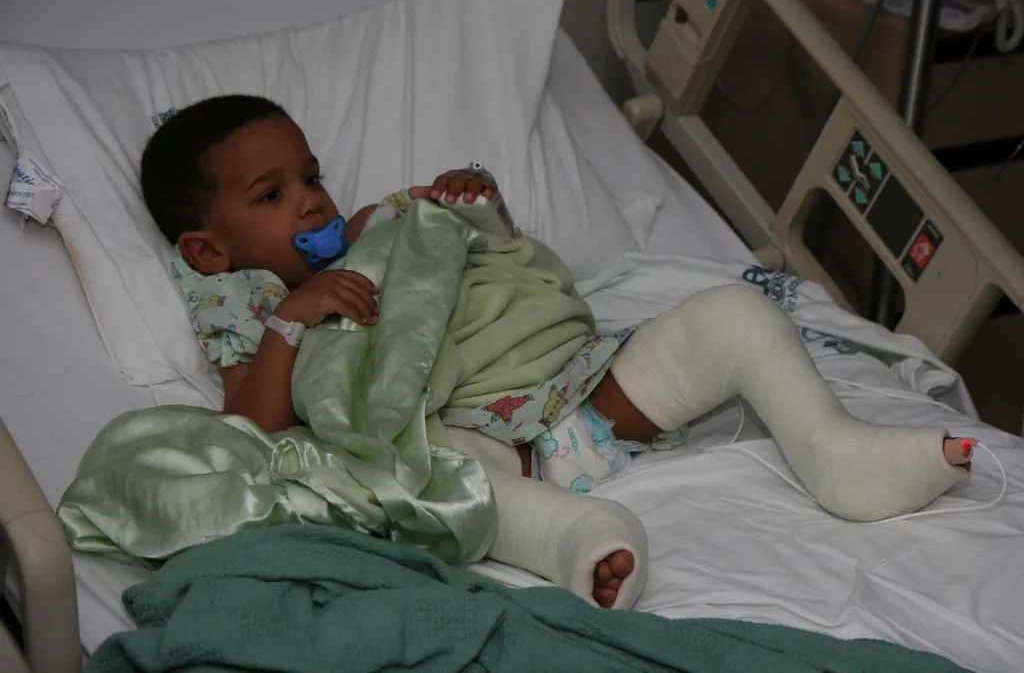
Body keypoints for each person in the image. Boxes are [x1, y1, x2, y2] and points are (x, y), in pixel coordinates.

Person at [141, 94, 974, 610]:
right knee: (427, 474)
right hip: (479, 438)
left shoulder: (375, 225)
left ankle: (835, 452)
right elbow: (252, 425)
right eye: (272, 195)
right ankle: (575, 536)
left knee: (731, 313)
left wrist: (472, 207)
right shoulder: (245, 301)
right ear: (209, 249)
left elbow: (502, 263)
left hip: (583, 393)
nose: (311, 203)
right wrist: (294, 317)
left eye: (311, 177)